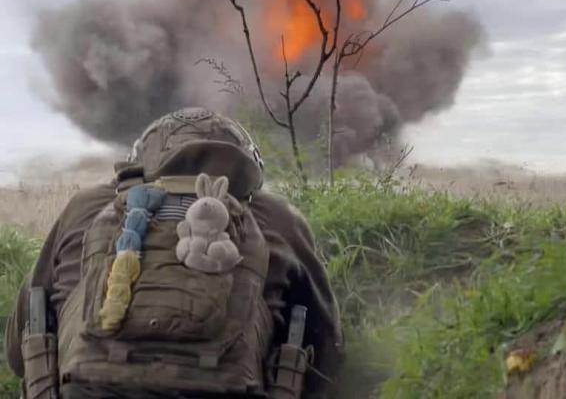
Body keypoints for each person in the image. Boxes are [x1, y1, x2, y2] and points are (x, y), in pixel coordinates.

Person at [4, 107, 342, 399]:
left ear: (141, 159)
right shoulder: (278, 218)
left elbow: (19, 350)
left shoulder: (88, 207)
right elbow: (327, 350)